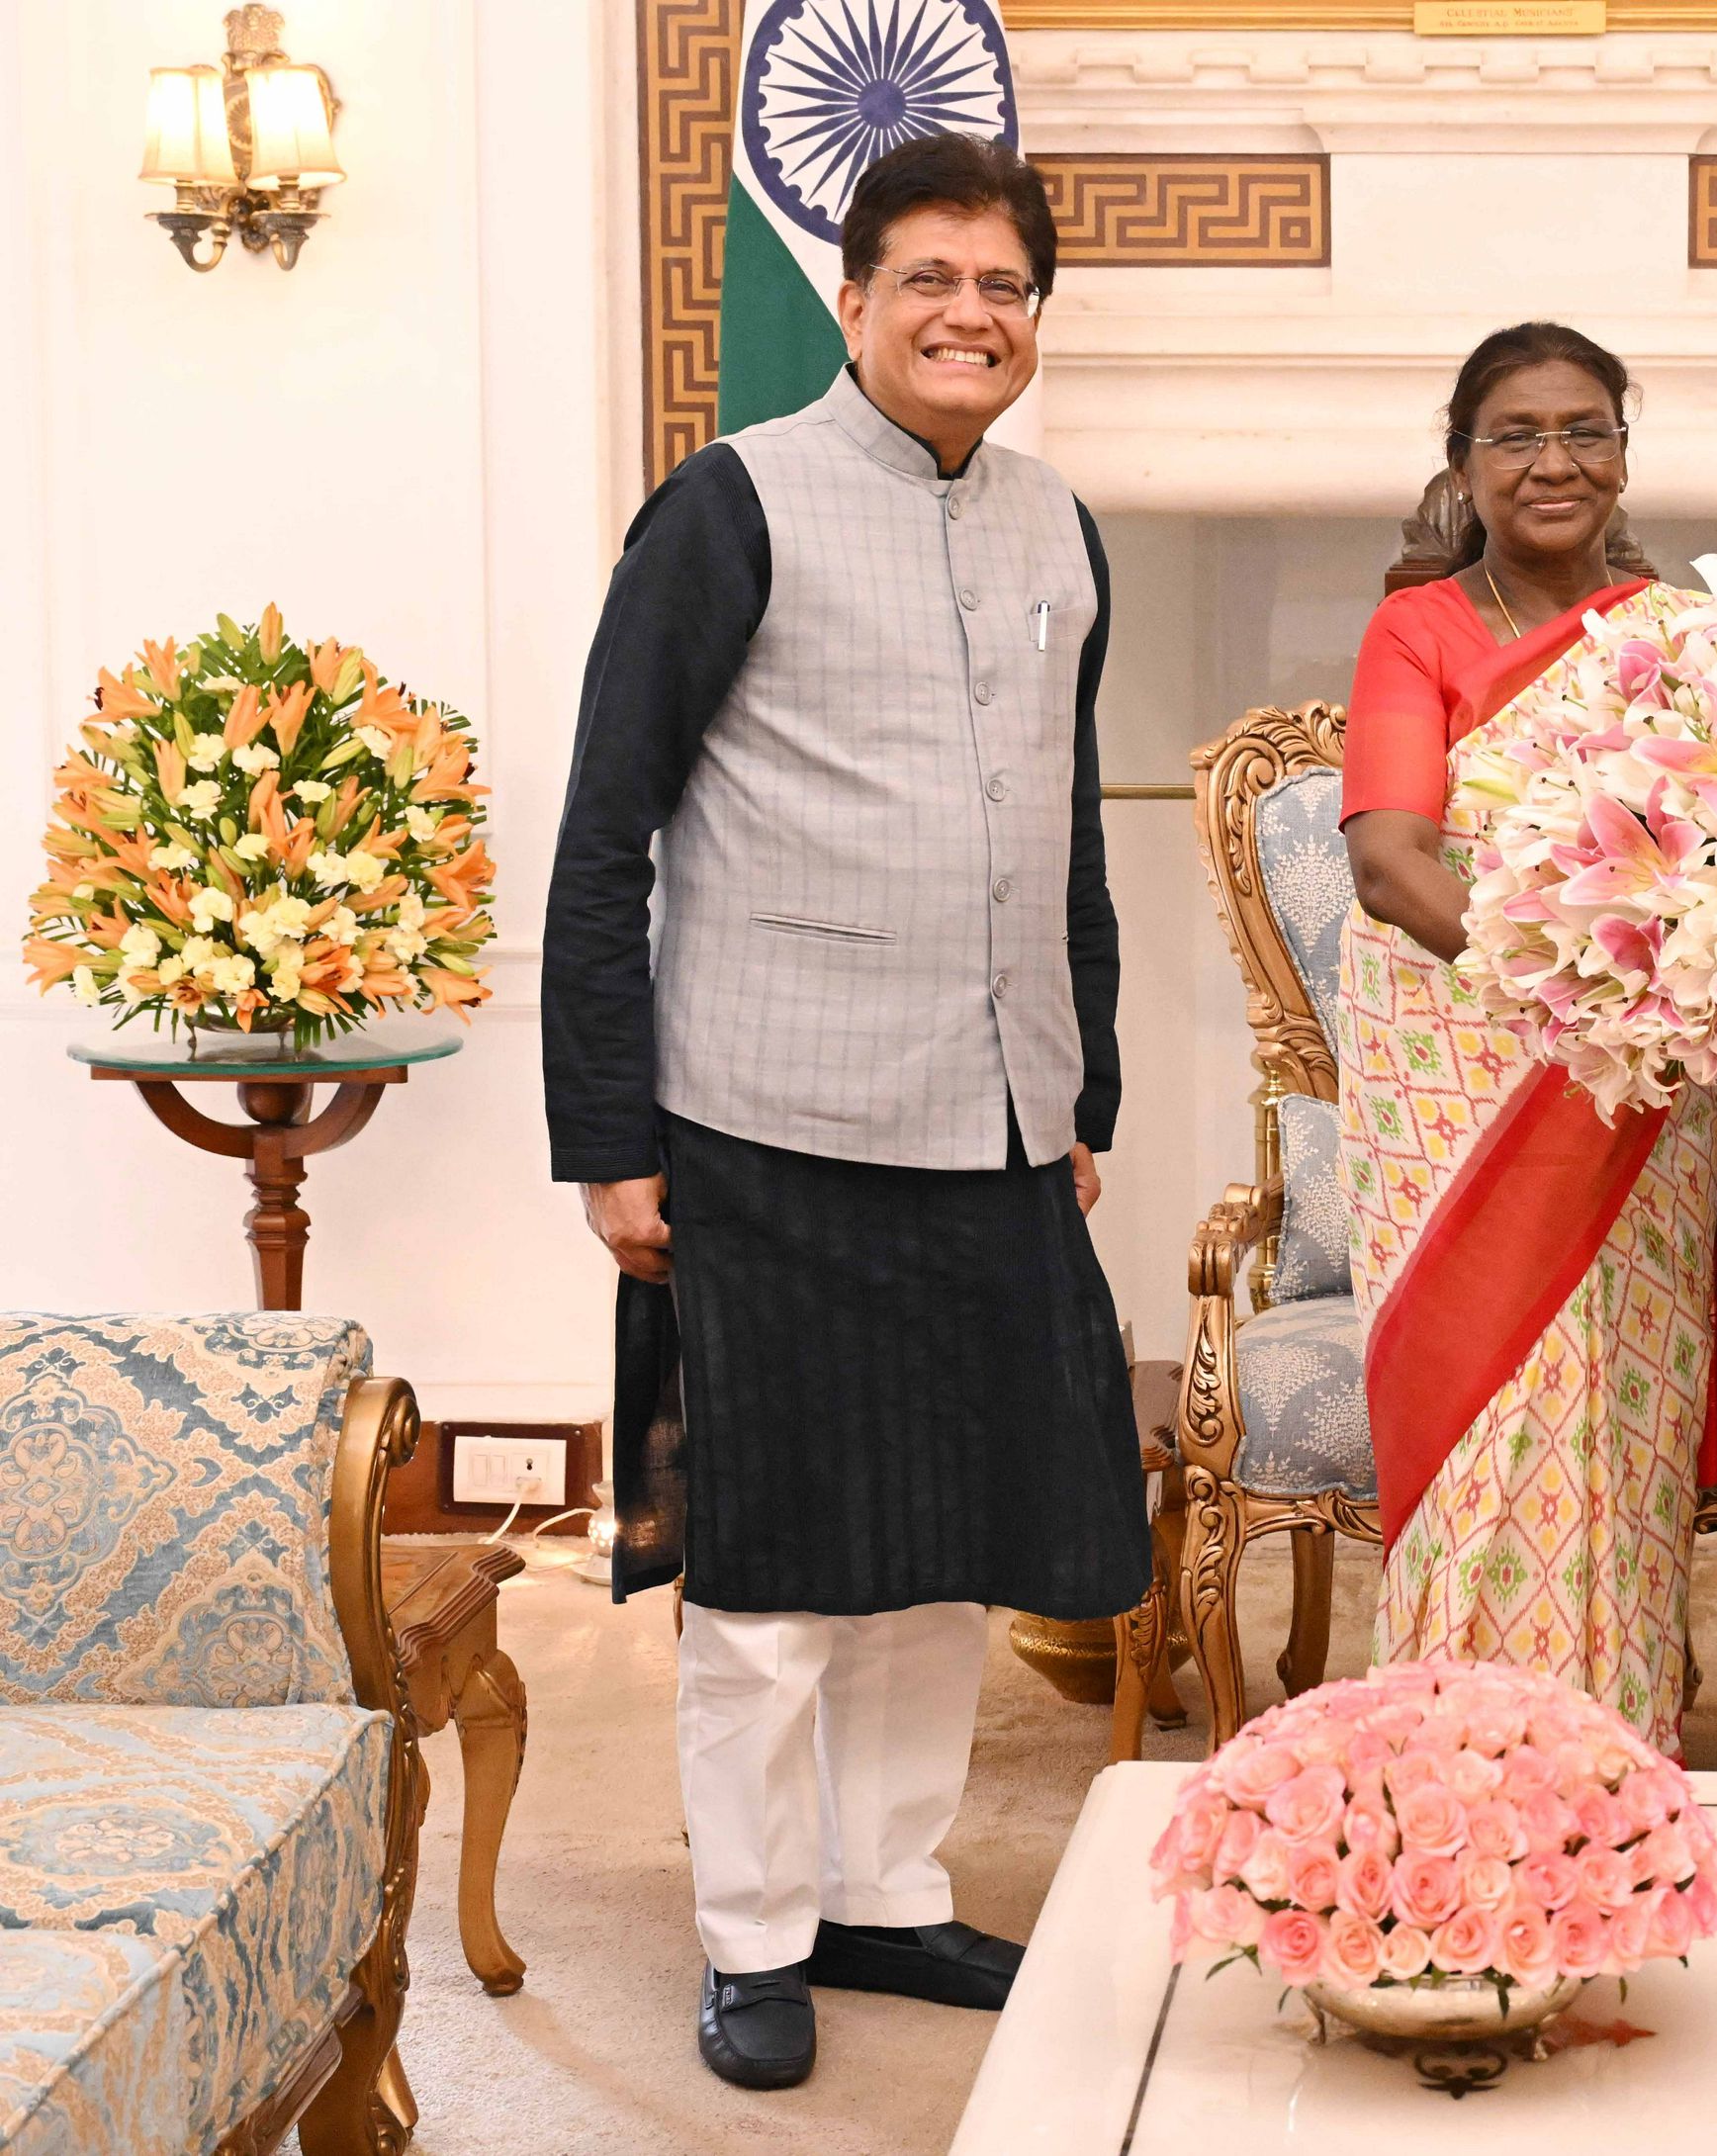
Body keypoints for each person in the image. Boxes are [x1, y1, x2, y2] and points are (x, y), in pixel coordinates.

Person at [540, 134, 1149, 2092]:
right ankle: (751, 1933)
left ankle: (883, 1890)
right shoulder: (729, 507)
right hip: (768, 1123)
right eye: (932, 279)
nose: (972, 314)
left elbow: (1065, 834)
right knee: (778, 1570)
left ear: (1034, 318)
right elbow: (604, 836)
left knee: (941, 1549)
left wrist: (1083, 1079)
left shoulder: (1059, 523)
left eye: (1005, 285)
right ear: (855, 297)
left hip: (996, 1124)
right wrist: (608, 1134)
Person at [1337, 322, 1717, 1754]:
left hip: (1636, 1084)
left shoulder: (1685, 638)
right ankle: (1451, 1757)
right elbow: (1388, 858)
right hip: (1460, 1072)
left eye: (1583, 431)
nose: (1552, 461)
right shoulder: (1416, 630)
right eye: (1515, 435)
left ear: (1623, 453)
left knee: (1616, 1415)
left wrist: (1688, 976)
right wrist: (1569, 985)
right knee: (1489, 1414)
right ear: (1462, 462)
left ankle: (1610, 1759)